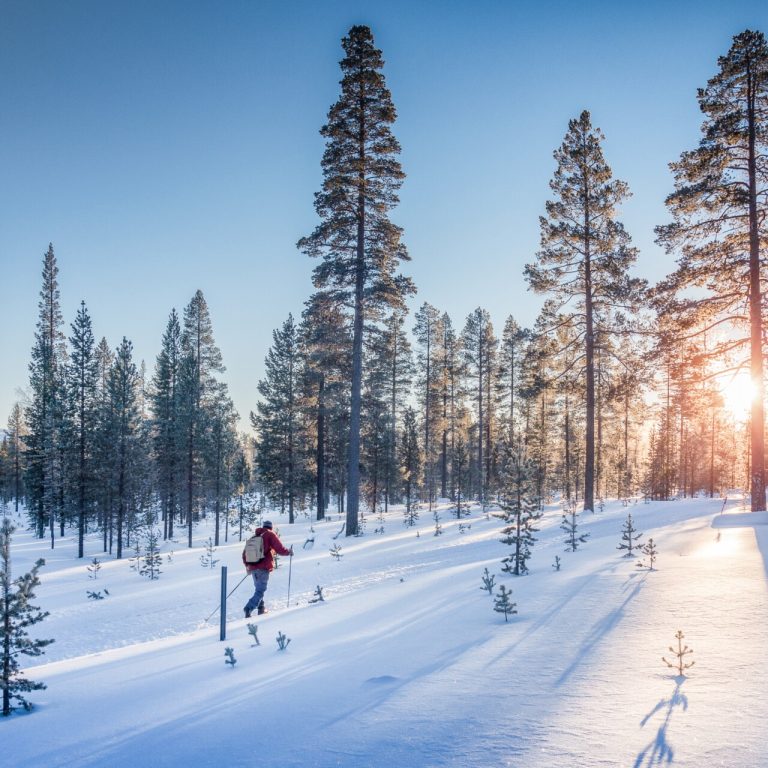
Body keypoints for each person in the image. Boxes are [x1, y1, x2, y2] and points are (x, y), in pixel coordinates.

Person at [242, 521, 292, 618]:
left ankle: (261, 608)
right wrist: (288, 552)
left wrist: (247, 566)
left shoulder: (254, 537)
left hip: (253, 569)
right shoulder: (270, 534)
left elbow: (244, 554)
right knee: (260, 590)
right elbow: (279, 548)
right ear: (271, 527)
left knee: (258, 589)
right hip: (263, 568)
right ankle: (248, 607)